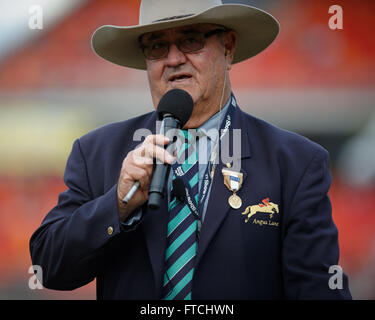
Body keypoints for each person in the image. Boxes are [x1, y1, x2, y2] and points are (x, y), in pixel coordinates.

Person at [29, 0, 352, 300]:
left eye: (191, 40)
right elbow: (49, 268)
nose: (173, 58)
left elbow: (317, 289)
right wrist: (117, 204)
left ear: (228, 47)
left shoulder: (295, 161)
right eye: (157, 46)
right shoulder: (98, 151)